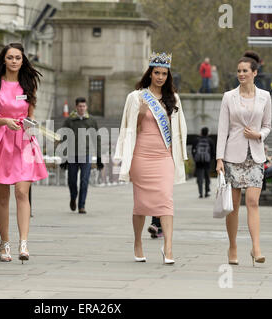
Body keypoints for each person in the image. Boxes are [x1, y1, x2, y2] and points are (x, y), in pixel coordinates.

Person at [0, 43, 48, 263]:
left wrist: (31, 137)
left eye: (18, 58)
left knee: (22, 192)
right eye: (10, 57)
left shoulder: (28, 85)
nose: (14, 61)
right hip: (1, 141)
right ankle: (4, 243)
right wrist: (5, 121)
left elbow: (31, 116)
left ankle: (23, 242)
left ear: (23, 61)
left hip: (23, 141)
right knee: (3, 197)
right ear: (4, 59)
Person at [114, 51, 188, 265]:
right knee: (140, 204)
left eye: (164, 73)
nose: (160, 77)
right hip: (141, 156)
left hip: (164, 156)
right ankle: (138, 242)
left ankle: (168, 248)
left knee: (166, 199)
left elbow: (179, 129)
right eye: (157, 72)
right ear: (150, 73)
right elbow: (128, 128)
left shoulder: (173, 98)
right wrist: (140, 113)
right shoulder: (136, 97)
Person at [216, 51, 272, 267]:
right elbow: (223, 129)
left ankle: (256, 247)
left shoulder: (265, 96)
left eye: (245, 71)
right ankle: (233, 246)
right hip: (232, 156)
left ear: (254, 73)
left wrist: (259, 135)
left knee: (253, 202)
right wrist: (219, 158)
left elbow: (267, 125)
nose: (241, 74)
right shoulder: (228, 96)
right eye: (239, 71)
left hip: (256, 156)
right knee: (234, 205)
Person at [60, 97, 104, 214]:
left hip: (86, 155)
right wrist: (64, 158)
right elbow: (64, 139)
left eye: (84, 106)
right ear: (76, 107)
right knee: (72, 181)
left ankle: (81, 206)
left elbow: (97, 139)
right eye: (80, 106)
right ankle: (73, 197)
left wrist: (99, 157)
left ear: (86, 107)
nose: (82, 108)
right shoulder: (69, 121)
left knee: (84, 180)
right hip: (72, 155)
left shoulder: (91, 121)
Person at [192, 127, 215, 198]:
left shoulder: (196, 140)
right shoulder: (210, 141)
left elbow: (193, 150)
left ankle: (200, 193)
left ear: (201, 132)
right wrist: (210, 159)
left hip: (198, 162)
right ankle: (207, 192)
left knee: (200, 178)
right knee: (207, 177)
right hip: (207, 162)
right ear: (208, 133)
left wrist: (195, 158)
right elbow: (213, 152)